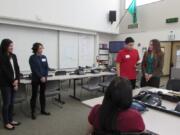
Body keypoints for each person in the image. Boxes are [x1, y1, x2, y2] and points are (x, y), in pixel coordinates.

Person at [0, 39, 21, 130]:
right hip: (5, 84)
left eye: (12, 45)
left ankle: (11, 120)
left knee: (12, 103)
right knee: (6, 103)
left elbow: (17, 69)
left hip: (14, 83)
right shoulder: (1, 56)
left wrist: (17, 80)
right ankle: (6, 122)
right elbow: (4, 71)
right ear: (5, 46)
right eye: (10, 46)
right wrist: (13, 81)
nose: (12, 47)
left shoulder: (14, 56)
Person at [29, 42, 50, 120]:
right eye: (40, 48)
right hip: (36, 79)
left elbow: (46, 67)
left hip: (43, 79)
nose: (42, 49)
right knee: (34, 96)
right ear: (36, 49)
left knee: (42, 95)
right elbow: (34, 69)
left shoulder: (44, 57)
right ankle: (33, 112)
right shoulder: (32, 58)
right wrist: (41, 77)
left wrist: (45, 76)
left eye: (42, 48)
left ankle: (43, 110)